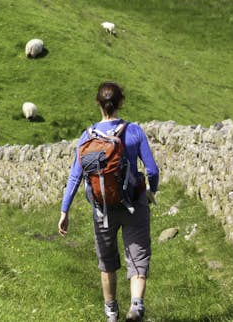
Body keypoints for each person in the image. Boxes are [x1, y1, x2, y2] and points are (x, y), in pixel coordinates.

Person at [57, 81, 159, 322]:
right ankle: (136, 307)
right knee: (138, 256)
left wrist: (64, 210)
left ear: (98, 104)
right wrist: (151, 191)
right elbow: (152, 170)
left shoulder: (87, 137)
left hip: (102, 208)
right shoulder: (133, 131)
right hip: (134, 203)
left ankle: (111, 313)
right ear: (120, 102)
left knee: (107, 262)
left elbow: (75, 175)